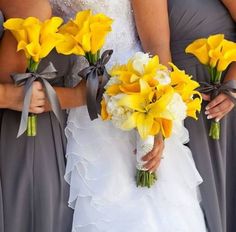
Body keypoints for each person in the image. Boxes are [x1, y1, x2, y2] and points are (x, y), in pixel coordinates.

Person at [49, 0, 207, 231]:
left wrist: (159, 119)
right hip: (77, 102)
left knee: (151, 207)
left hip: (137, 88)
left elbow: (157, 46)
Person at [132, 0, 236, 231]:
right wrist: (161, 113)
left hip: (227, 90)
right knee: (205, 199)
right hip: (188, 102)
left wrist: (233, 85)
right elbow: (157, 53)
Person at [0, 1, 86, 231]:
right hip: (26, 135)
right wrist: (7, 95)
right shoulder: (32, 11)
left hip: (62, 132)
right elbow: (17, 85)